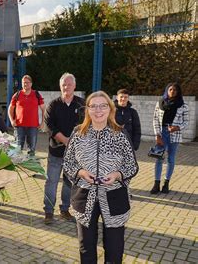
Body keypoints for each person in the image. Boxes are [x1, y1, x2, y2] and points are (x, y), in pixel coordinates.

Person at [63, 91, 139, 263]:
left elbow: (132, 166)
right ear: (87, 110)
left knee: (114, 249)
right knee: (86, 248)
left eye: (103, 105)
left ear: (110, 109)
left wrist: (118, 174)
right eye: (93, 106)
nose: (98, 110)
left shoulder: (120, 134)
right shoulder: (77, 134)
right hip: (84, 196)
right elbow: (67, 164)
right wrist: (81, 172)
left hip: (114, 197)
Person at [43, 73, 85, 225]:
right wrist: (66, 140)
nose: (66, 87)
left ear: (74, 86)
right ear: (60, 87)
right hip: (55, 152)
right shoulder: (53, 105)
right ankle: (48, 212)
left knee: (69, 183)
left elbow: (86, 126)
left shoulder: (81, 104)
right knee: (51, 182)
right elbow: (49, 126)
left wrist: (74, 143)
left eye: (69, 84)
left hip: (74, 155)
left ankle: (65, 210)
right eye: (63, 85)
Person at [150, 82, 189, 194]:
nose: (172, 91)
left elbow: (186, 122)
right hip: (162, 133)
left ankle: (166, 184)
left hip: (174, 134)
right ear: (167, 90)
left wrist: (177, 127)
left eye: (175, 90)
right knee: (159, 158)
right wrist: (157, 135)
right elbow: (155, 119)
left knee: (171, 159)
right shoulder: (160, 103)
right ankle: (156, 184)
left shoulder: (183, 105)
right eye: (170, 89)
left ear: (178, 92)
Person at [8, 75, 45, 157]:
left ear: (31, 84)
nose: (25, 84)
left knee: (31, 149)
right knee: (17, 148)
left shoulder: (36, 94)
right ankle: (17, 164)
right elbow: (10, 108)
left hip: (33, 126)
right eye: (24, 83)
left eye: (27, 83)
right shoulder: (17, 95)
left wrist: (42, 122)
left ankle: (30, 163)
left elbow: (43, 109)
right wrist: (11, 120)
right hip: (19, 126)